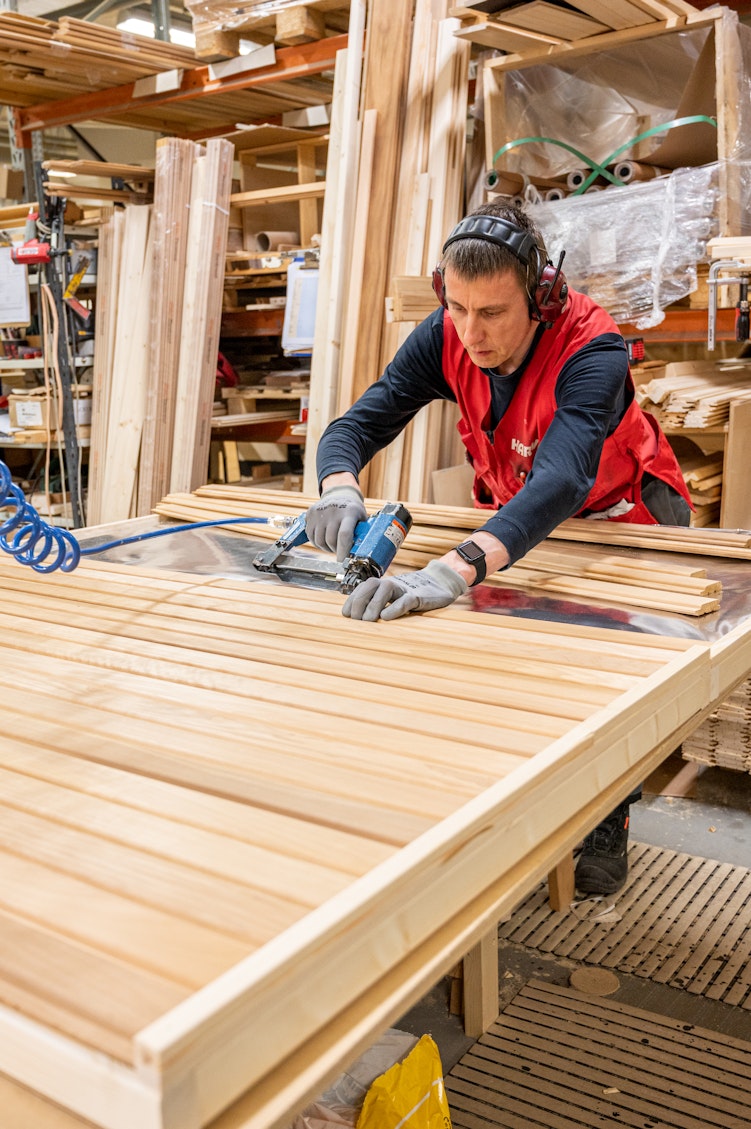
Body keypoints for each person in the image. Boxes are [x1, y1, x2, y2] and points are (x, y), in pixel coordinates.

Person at [305, 201, 692, 896]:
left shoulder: (591, 348)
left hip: (620, 516)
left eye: (491, 313)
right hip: (515, 512)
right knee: (521, 667)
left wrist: (453, 569)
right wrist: (338, 485)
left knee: (606, 675)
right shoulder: (447, 333)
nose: (470, 332)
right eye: (456, 308)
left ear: (541, 297)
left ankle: (609, 814)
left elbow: (563, 477)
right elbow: (360, 419)